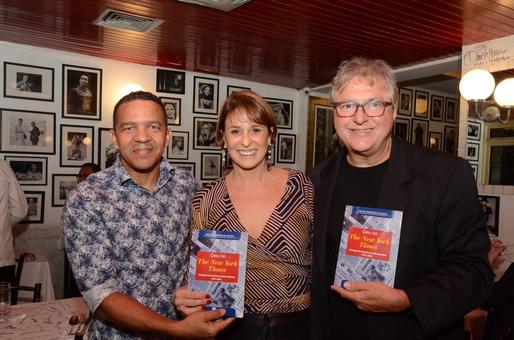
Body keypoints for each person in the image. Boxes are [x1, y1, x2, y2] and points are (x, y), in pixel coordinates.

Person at [309, 57, 493, 339]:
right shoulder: (317, 179)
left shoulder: (444, 176)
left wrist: (407, 299)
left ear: (393, 111)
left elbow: (473, 271)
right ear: (335, 114)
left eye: (374, 104)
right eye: (347, 106)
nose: (360, 118)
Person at [62, 91, 232, 339]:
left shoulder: (187, 185)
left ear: (167, 135)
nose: (142, 137)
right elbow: (100, 294)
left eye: (153, 126)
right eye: (129, 128)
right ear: (115, 138)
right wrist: (176, 329)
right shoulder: (87, 198)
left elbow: (202, 257)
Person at [174, 90, 313, 340]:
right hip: (232, 328)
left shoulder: (301, 187)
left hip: (301, 326)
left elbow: (325, 256)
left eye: (256, 129)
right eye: (235, 131)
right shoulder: (205, 200)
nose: (246, 141)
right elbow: (197, 274)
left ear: (270, 135)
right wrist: (187, 295)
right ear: (223, 138)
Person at [0, 161, 28, 284]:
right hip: (2, 257)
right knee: (3, 302)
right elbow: (20, 211)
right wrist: (4, 225)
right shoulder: (2, 167)